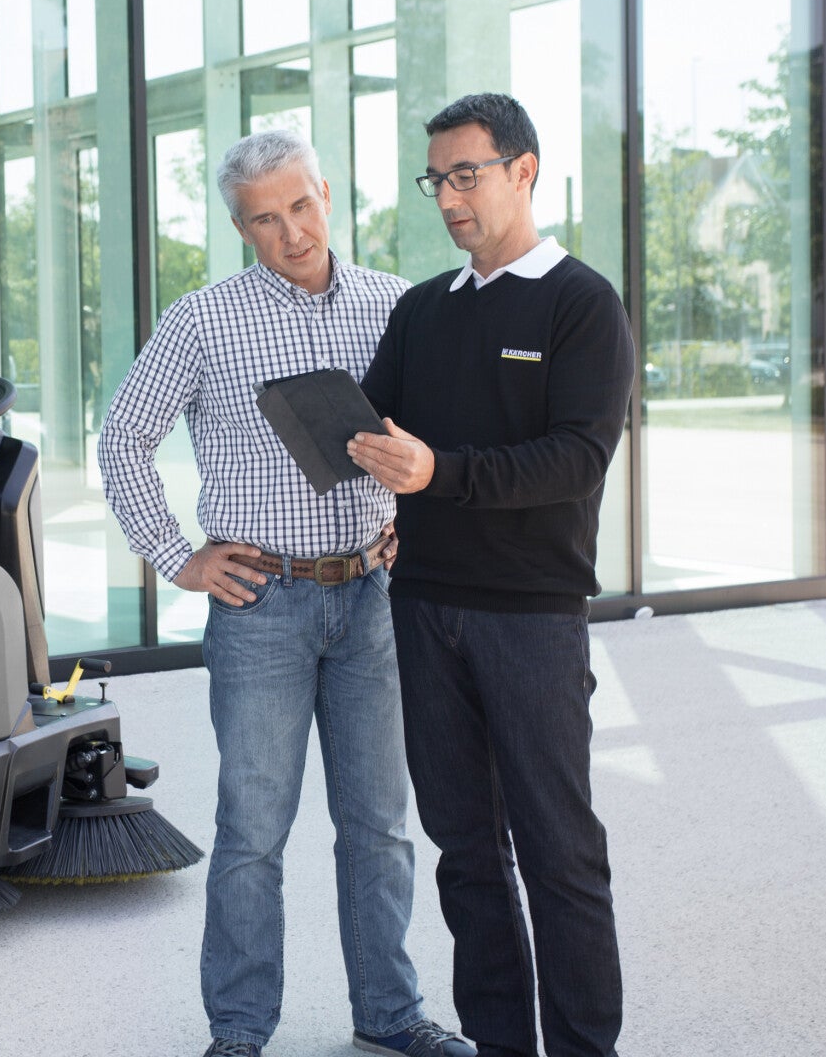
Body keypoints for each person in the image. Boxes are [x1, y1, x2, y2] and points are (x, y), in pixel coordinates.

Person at [99, 129, 474, 1057]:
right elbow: (123, 438)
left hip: (373, 599)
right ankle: (238, 1029)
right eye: (265, 220)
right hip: (260, 606)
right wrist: (178, 556)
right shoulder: (203, 320)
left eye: (301, 206)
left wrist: (413, 520)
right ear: (241, 229)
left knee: (380, 826)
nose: (292, 232)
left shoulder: (396, 305)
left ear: (327, 195)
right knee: (253, 830)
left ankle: (390, 1013)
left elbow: (433, 443)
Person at [349, 93, 632, 1057]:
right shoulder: (422, 310)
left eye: (466, 175)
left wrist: (438, 473)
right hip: (425, 607)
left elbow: (576, 461)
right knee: (465, 851)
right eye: (436, 179)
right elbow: (376, 426)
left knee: (560, 854)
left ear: (524, 171)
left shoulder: (581, 303)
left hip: (531, 618)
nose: (449, 198)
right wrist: (352, 444)